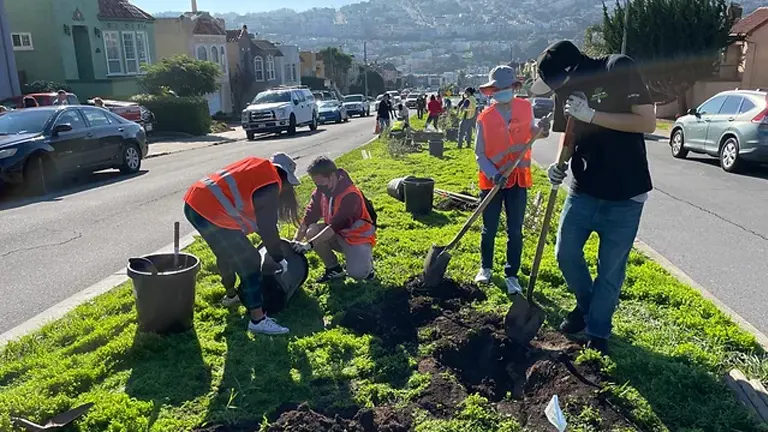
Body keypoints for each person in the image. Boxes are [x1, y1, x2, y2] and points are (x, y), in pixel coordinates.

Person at [531, 40, 655, 354]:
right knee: (565, 253)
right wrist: (558, 165)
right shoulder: (564, 90)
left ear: (572, 71)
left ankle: (598, 331)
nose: (557, 91)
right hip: (583, 188)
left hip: (625, 193)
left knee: (610, 269)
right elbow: (568, 135)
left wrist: (593, 114)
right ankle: (587, 307)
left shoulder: (618, 68)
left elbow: (646, 121)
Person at [183, 153, 302, 335]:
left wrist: (273, 244)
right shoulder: (271, 184)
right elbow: (267, 227)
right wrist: (279, 257)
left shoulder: (257, 168)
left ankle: (231, 296)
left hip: (194, 202)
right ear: (285, 176)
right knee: (251, 262)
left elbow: (259, 222)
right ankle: (258, 320)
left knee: (226, 253)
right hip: (211, 210)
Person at [473, 65, 550, 294]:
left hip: (517, 180)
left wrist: (542, 130)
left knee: (515, 230)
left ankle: (511, 274)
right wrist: (494, 174)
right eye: (498, 88)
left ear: (514, 87)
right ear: (492, 91)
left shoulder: (526, 108)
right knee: (490, 227)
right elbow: (480, 153)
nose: (502, 91)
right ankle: (485, 268)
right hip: (493, 181)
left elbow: (533, 130)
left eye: (506, 87)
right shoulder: (484, 118)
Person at [291, 156, 376, 282]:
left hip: (357, 239)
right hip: (337, 235)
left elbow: (336, 225)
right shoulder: (321, 192)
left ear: (332, 176)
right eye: (316, 184)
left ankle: (367, 267)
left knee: (358, 274)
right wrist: (295, 241)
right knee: (311, 230)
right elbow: (309, 217)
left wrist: (308, 246)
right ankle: (334, 268)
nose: (319, 187)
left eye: (321, 183)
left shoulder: (351, 195)